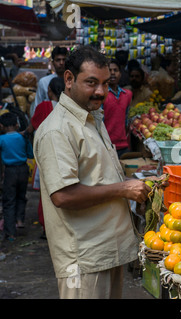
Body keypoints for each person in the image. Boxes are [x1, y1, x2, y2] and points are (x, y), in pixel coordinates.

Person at [33, 45, 152, 299]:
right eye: (91, 83)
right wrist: (123, 189)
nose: (100, 91)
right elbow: (63, 196)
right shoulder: (57, 130)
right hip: (84, 260)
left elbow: (98, 179)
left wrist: (130, 189)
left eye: (105, 83)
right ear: (68, 79)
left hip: (108, 251)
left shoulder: (92, 118)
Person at [28, 76, 65, 239]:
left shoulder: (43, 106)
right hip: (63, 154)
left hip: (46, 154)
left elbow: (32, 127)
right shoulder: (66, 108)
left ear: (49, 91)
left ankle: (46, 227)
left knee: (46, 192)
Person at [0, 112, 34, 242]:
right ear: (16, 124)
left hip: (10, 171)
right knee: (21, 196)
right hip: (24, 169)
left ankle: (11, 233)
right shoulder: (23, 138)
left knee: (9, 201)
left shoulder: (2, 139)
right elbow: (30, 155)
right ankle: (20, 220)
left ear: (1, 126)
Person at [103, 59, 132, 158]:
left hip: (123, 146)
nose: (112, 73)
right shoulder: (101, 95)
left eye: (115, 70)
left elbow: (126, 120)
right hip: (106, 146)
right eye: (109, 70)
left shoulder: (127, 94)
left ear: (120, 73)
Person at [30, 46, 68, 117]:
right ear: (53, 63)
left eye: (64, 60)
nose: (61, 63)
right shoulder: (44, 82)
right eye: (58, 60)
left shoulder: (73, 81)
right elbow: (37, 106)